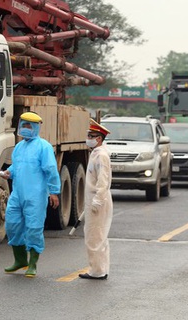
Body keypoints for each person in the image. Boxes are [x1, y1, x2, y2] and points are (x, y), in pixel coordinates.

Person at [0, 112, 60, 278]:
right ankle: (20, 260)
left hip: (36, 195)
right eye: (23, 125)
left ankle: (32, 263)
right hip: (18, 194)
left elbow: (51, 170)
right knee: (12, 224)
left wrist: (54, 191)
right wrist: (7, 173)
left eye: (29, 126)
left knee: (33, 228)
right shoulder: (19, 147)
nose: (25, 129)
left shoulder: (44, 147)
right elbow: (16, 167)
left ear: (36, 127)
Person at [79, 119, 113, 280]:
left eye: (91, 136)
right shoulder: (96, 153)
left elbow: (103, 180)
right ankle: (101, 269)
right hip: (94, 199)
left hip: (98, 200)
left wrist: (98, 200)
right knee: (99, 235)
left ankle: (97, 271)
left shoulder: (101, 156)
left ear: (98, 139)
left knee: (94, 236)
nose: (88, 138)